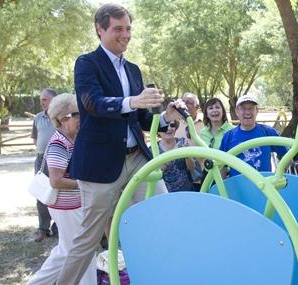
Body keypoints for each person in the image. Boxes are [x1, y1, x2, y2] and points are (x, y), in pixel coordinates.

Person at [56, 4, 183, 284]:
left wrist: (166, 117)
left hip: (137, 157)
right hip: (101, 163)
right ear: (99, 30)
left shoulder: (134, 70)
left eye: (128, 28)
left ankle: (159, 275)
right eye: (118, 29)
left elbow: (140, 117)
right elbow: (93, 104)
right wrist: (132, 101)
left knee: (163, 215)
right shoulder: (87, 63)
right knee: (88, 239)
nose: (125, 35)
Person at [27, 93, 97, 285]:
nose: (81, 118)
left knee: (68, 251)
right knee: (80, 250)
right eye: (77, 114)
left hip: (73, 205)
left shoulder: (71, 139)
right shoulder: (59, 143)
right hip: (66, 207)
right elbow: (56, 181)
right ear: (63, 119)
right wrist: (84, 184)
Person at [219, 94, 287, 177]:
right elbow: (221, 165)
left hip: (264, 186)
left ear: (256, 111)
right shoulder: (229, 136)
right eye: (243, 108)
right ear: (237, 111)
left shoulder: (268, 132)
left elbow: (285, 155)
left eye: (251, 108)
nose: (247, 112)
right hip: (238, 187)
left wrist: (279, 175)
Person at [30, 88, 58, 242]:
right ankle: (43, 229)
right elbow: (35, 139)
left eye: (45, 99)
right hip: (41, 160)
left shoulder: (61, 117)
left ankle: (58, 226)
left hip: (58, 160)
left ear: (54, 100)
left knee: (58, 193)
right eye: (41, 99)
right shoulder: (37, 118)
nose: (42, 102)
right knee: (40, 193)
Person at [153, 120, 196, 192]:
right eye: (164, 126)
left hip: (186, 191)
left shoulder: (184, 142)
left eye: (172, 125)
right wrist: (176, 150)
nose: (169, 128)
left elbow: (192, 168)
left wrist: (187, 155)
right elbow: (158, 172)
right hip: (164, 195)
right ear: (157, 131)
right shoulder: (153, 149)